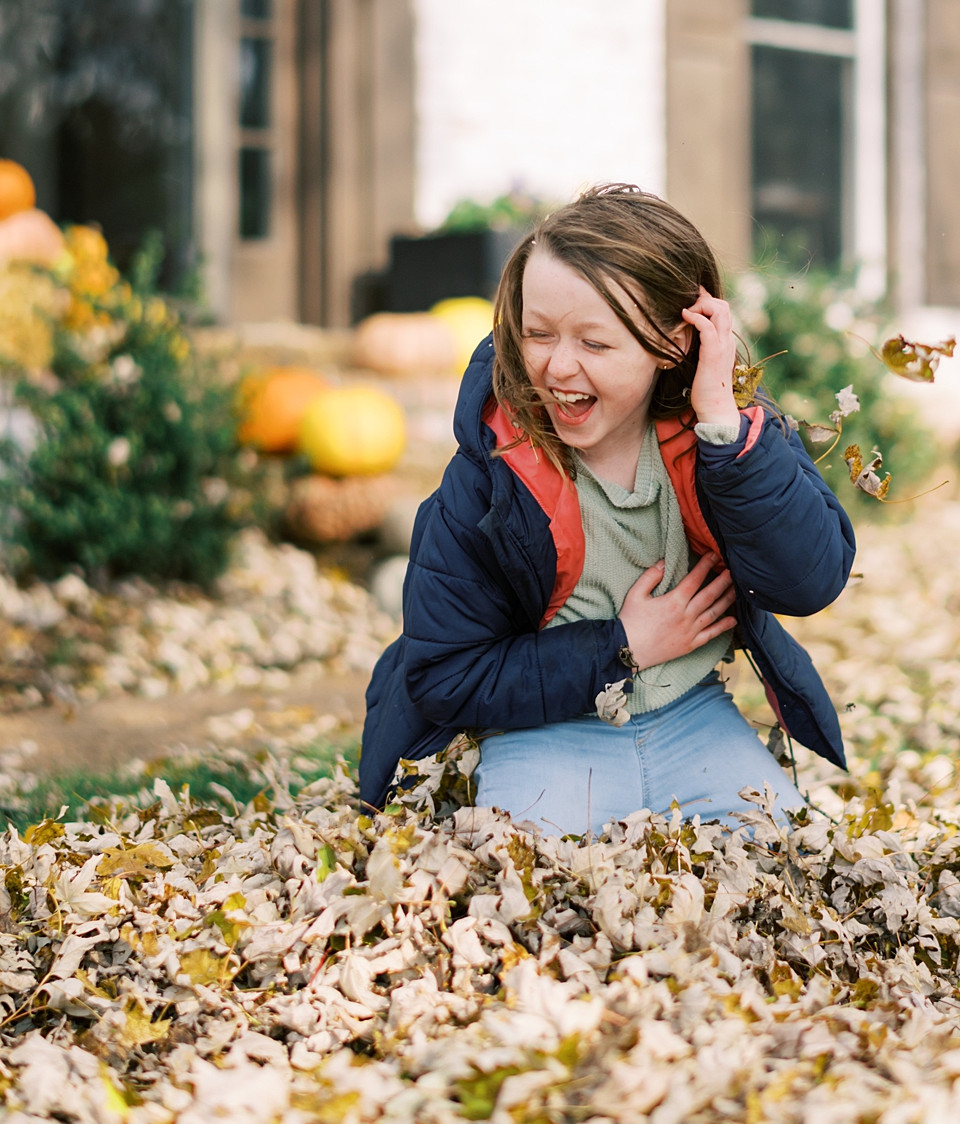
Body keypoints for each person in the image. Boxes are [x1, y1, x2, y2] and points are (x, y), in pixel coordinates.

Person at [360, 185, 854, 835]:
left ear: (674, 342)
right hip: (546, 733)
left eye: (595, 344)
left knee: (794, 866)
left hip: (693, 719)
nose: (559, 365)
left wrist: (724, 430)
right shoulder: (491, 474)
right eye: (538, 333)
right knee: (533, 889)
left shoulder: (729, 441)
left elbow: (808, 580)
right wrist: (623, 648)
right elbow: (446, 675)